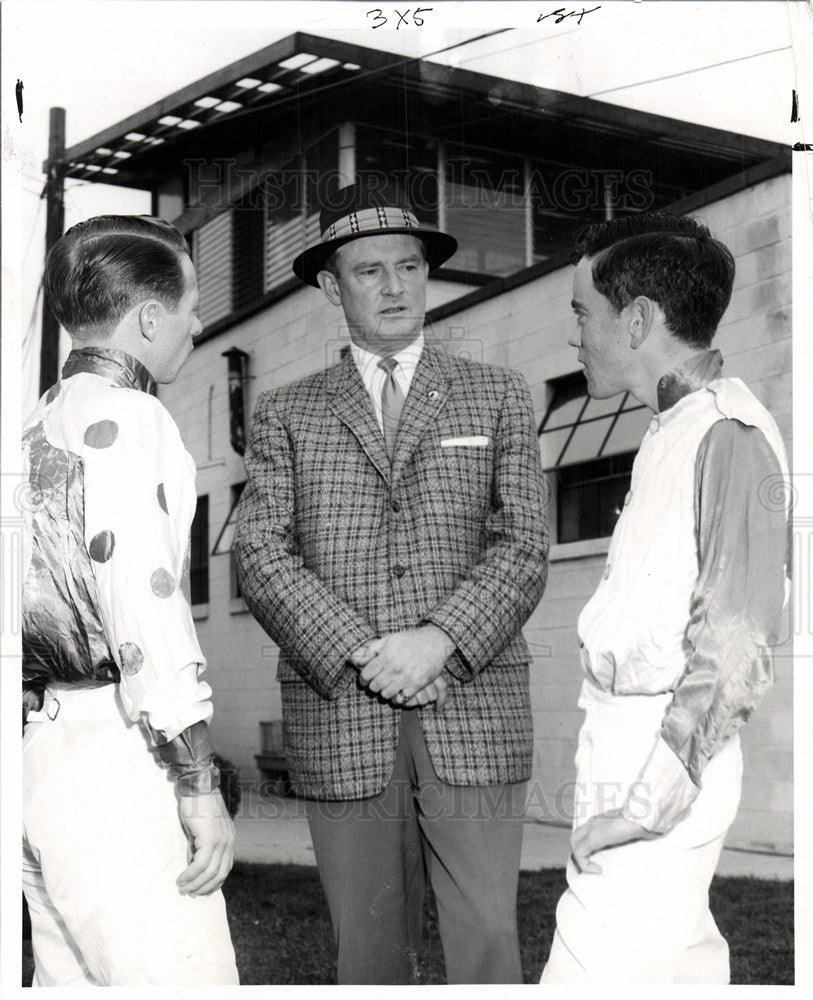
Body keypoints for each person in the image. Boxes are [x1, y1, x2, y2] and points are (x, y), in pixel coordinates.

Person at [234, 178, 549, 984]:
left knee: (486, 943)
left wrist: (439, 640)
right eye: (368, 270)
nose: (394, 286)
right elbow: (262, 556)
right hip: (343, 708)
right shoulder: (285, 412)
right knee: (368, 952)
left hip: (470, 708)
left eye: (408, 266)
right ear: (327, 286)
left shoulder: (499, 392)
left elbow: (523, 544)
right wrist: (365, 652)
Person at [541, 212, 790, 984]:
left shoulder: (728, 435)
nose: (572, 336)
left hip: (660, 761)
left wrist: (642, 806)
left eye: (582, 313)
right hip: (624, 742)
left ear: (639, 319)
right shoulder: (672, 428)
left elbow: (737, 643)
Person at [22, 215, 239, 987]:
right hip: (118, 761)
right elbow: (143, 606)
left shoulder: (38, 425)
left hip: (40, 760)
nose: (198, 322)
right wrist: (196, 778)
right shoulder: (132, 419)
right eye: (190, 304)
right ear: (150, 318)